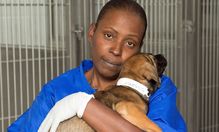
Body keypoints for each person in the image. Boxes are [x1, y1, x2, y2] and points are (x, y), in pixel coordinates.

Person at [8, 0, 187, 131]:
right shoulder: (58, 90)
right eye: (109, 35)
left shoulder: (154, 87)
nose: (116, 50)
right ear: (92, 33)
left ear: (139, 49)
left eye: (130, 43)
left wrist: (84, 105)